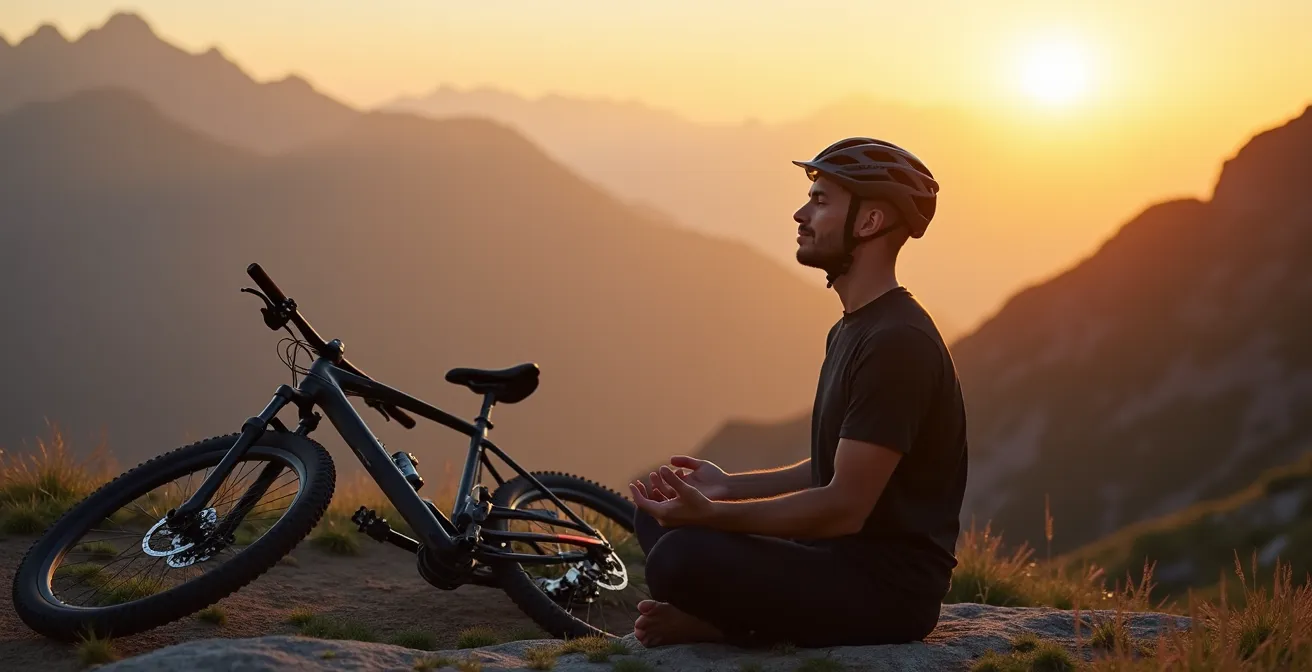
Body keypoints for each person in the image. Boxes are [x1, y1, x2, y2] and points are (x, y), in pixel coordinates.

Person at [628, 137, 968, 648]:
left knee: (680, 556)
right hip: (834, 557)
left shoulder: (898, 343)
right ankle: (730, 620)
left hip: (887, 591)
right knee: (656, 515)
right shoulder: (854, 328)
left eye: (821, 201)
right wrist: (729, 487)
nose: (800, 214)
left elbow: (844, 505)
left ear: (870, 222)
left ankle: (724, 627)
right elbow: (835, 466)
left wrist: (713, 516)